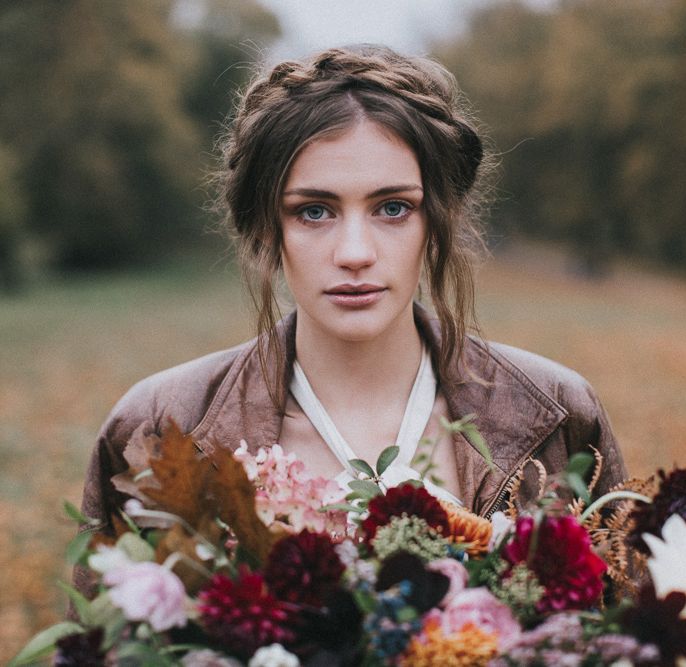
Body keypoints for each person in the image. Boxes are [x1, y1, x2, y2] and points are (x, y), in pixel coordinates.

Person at [78, 45, 626, 575]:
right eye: (314, 211)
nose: (355, 253)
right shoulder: (155, 427)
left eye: (393, 208)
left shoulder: (560, 414)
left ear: (435, 220)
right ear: (266, 229)